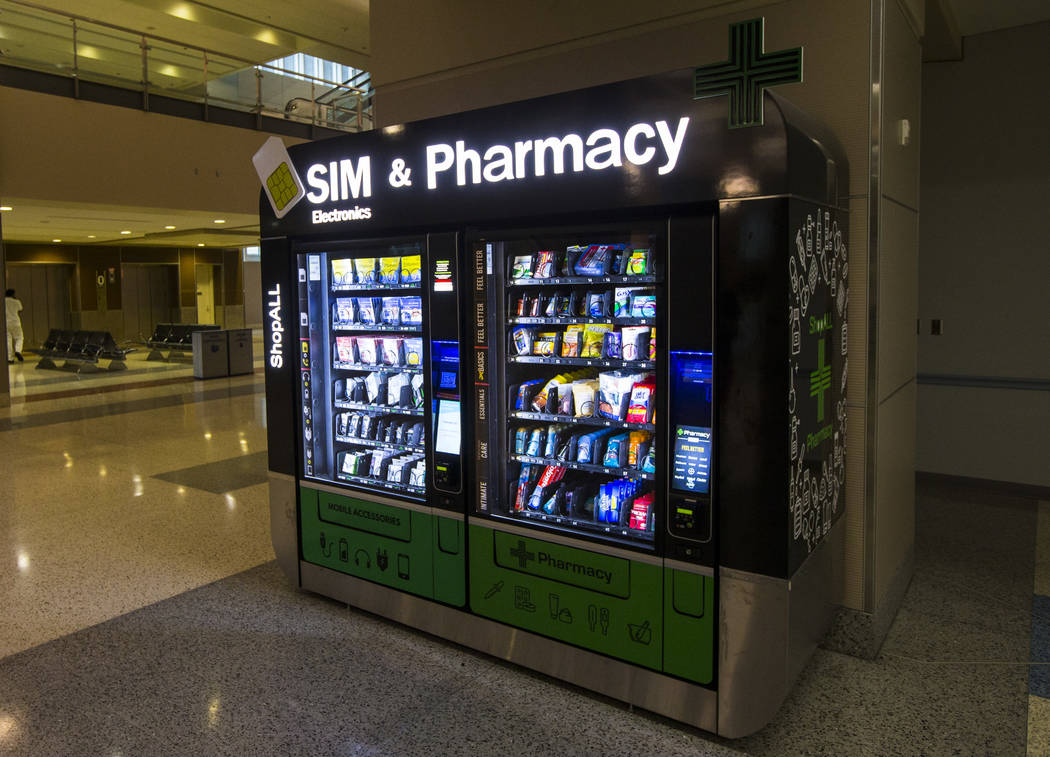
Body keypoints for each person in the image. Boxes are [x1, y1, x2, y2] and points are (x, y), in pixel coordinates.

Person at [5, 288, 23, 363]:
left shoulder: (3, 301)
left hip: (6, 322)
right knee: (19, 338)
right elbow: (20, 309)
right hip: (16, 322)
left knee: (8, 340)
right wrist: (15, 299)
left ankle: (10, 358)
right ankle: (18, 351)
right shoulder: (16, 301)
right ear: (13, 294)